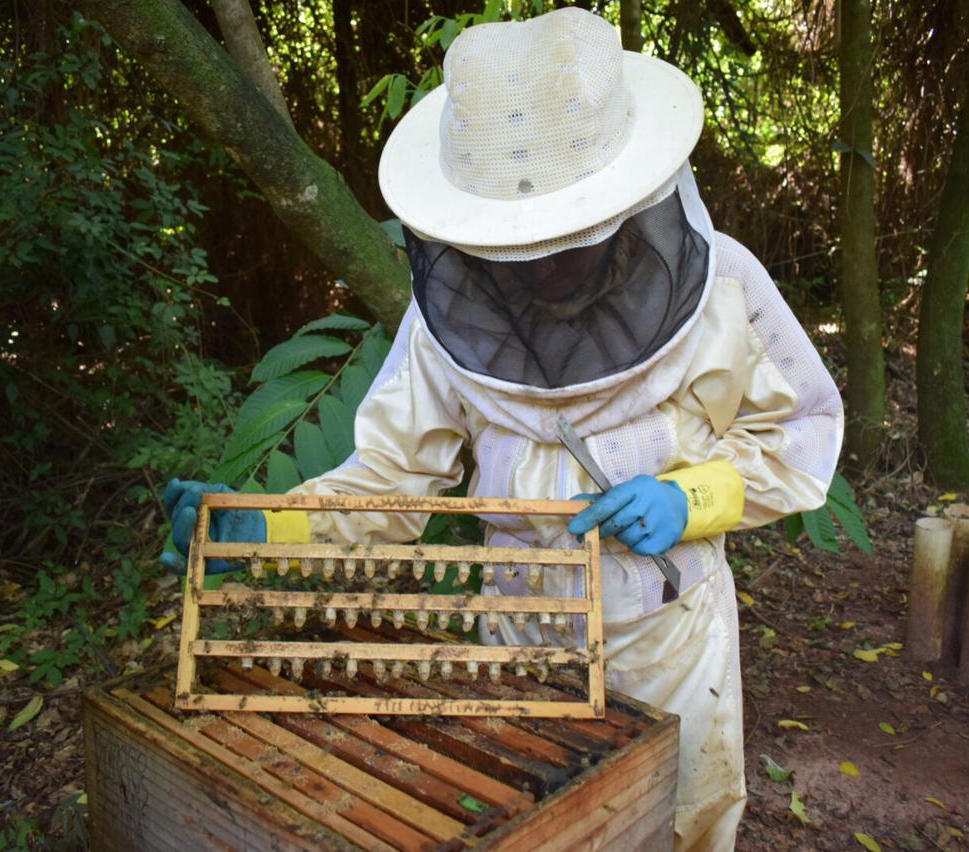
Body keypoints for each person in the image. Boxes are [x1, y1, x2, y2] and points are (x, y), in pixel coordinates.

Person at [163, 8, 842, 850]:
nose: (547, 266)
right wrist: (263, 528)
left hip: (666, 637)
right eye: (522, 248)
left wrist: (694, 496)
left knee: (673, 824)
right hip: (515, 638)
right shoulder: (446, 319)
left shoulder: (724, 283)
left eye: (569, 239)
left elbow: (806, 427)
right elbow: (387, 479)